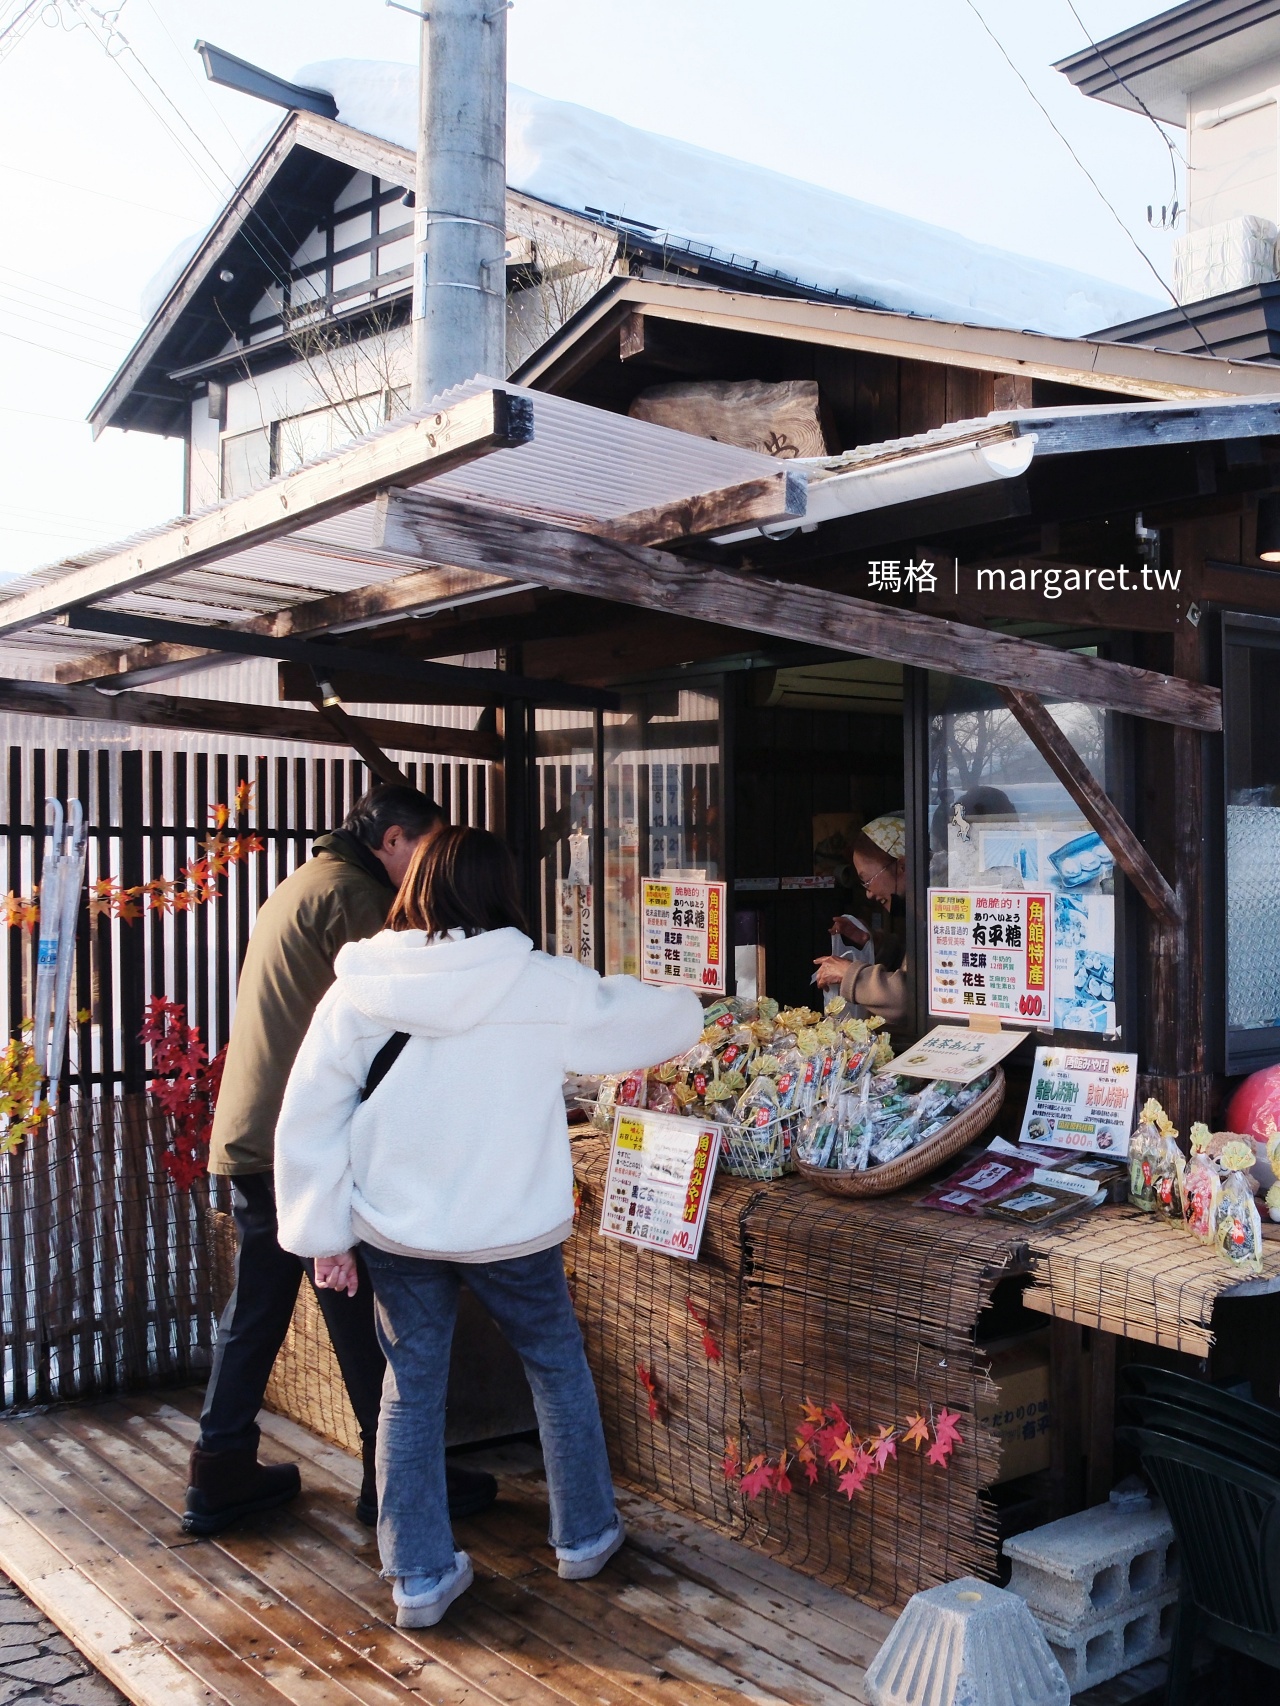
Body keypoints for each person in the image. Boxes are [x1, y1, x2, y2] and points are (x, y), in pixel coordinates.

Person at [274, 825, 703, 1628]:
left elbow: (309, 1117)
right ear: (503, 889)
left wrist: (322, 1233)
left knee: (410, 1391)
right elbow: (659, 1024)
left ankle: (419, 1577)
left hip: (397, 1229)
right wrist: (690, 996)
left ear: (418, 885)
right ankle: (584, 1536)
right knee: (557, 1367)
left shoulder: (362, 985)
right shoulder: (538, 982)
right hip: (514, 1228)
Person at [186, 783, 498, 1537]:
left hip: (256, 1130)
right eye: (425, 850)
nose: (429, 870)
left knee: (261, 1305)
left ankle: (220, 1467)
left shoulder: (307, 882)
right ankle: (392, 1474)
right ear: (392, 841)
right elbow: (402, 1022)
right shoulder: (357, 899)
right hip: (303, 1136)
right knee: (361, 1306)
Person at [813, 814, 909, 1027]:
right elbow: (914, 964)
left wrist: (849, 974)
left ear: (902, 866)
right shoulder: (922, 914)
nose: (869, 893)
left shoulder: (942, 911)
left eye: (867, 880)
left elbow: (910, 998)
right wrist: (875, 943)